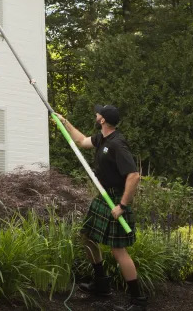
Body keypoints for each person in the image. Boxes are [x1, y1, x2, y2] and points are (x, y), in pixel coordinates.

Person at [58, 105, 147, 310]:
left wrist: (122, 205)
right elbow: (81, 141)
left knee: (118, 250)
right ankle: (102, 283)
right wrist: (64, 122)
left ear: (103, 120)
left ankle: (138, 300)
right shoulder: (102, 139)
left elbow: (133, 176)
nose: (96, 115)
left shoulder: (117, 144)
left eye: (98, 114)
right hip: (103, 196)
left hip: (115, 198)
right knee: (87, 236)